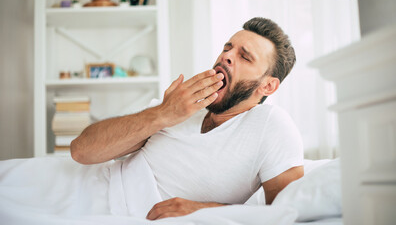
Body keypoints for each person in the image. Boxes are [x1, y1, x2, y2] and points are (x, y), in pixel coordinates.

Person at [71, 17, 304, 220]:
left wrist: (203, 210)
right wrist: (163, 113)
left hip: (113, 214)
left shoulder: (271, 125)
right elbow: (81, 150)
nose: (227, 57)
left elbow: (290, 212)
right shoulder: (179, 106)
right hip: (78, 187)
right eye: (227, 48)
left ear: (268, 85)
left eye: (244, 57)